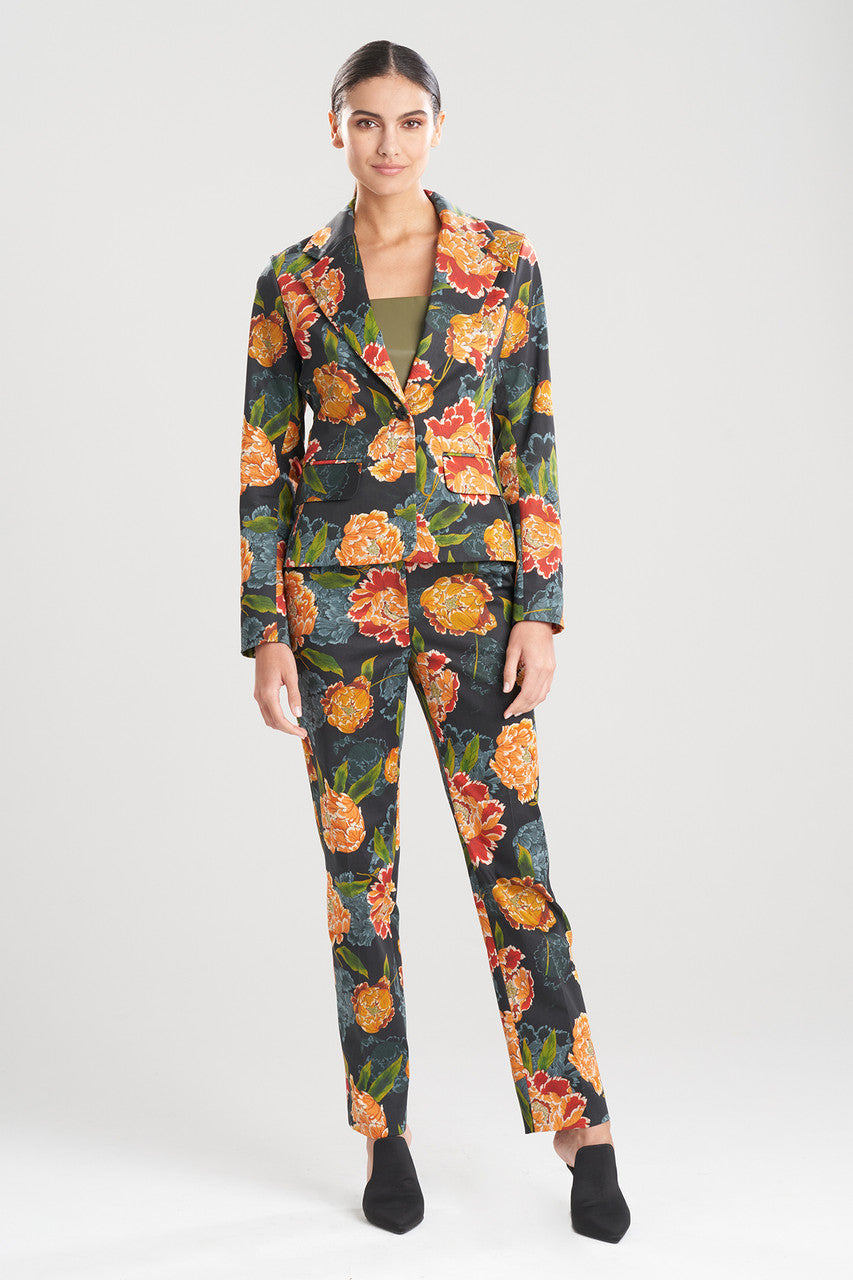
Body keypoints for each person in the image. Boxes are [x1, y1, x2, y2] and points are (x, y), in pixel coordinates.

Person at [238, 38, 631, 1242]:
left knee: (515, 862)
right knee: (360, 878)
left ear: (438, 128)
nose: (388, 143)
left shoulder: (502, 263)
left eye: (409, 120)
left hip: (474, 599)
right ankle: (383, 1130)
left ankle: (582, 1123)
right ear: (336, 128)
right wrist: (265, 628)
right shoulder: (293, 280)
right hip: (334, 606)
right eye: (366, 121)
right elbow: (263, 462)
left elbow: (532, 437)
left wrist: (539, 607)